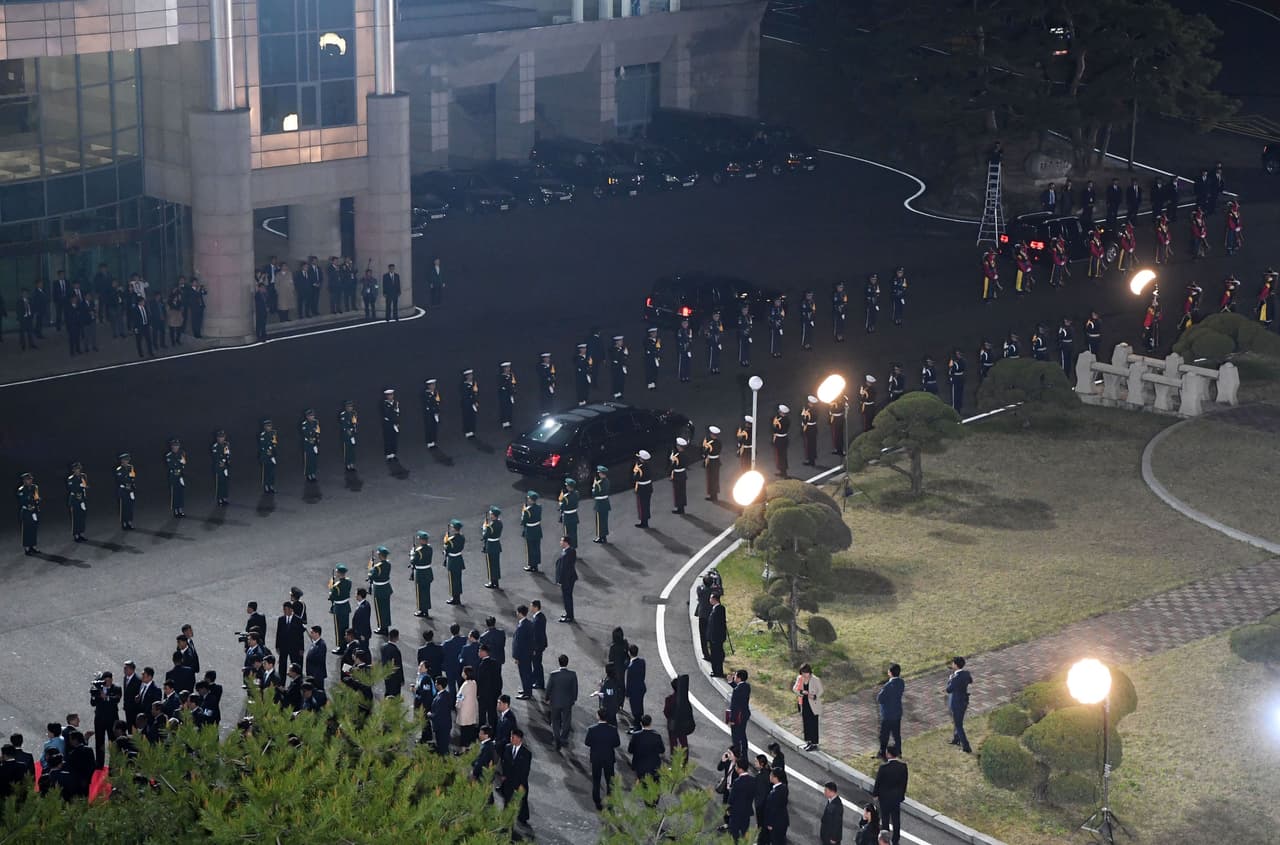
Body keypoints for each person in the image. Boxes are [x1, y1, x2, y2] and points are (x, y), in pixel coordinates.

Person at [872, 745, 908, 845]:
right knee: (896, 819)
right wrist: (901, 796)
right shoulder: (903, 766)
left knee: (885, 818)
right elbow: (904, 783)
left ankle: (885, 838)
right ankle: (896, 839)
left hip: (885, 798)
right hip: (896, 798)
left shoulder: (883, 767)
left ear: (888, 754)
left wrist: (875, 794)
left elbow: (878, 782)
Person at [585, 708, 620, 809]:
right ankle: (610, 800)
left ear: (598, 716)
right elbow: (617, 743)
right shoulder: (613, 729)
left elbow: (587, 743)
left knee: (596, 780)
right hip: (609, 757)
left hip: (596, 757)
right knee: (610, 780)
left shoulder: (592, 729)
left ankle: (596, 799)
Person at [500, 728, 533, 826]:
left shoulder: (526, 753)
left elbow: (525, 771)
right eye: (511, 736)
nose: (511, 739)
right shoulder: (508, 748)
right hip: (508, 780)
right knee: (507, 799)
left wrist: (521, 784)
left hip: (519, 781)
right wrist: (504, 775)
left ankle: (523, 816)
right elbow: (504, 763)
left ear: (519, 739)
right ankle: (505, 818)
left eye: (513, 737)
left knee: (522, 801)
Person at [546, 654, 578, 750]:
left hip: (555, 702)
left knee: (555, 721)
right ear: (567, 662)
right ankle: (563, 738)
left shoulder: (553, 674)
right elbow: (575, 689)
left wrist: (547, 698)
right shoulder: (572, 674)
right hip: (567, 702)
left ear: (558, 662)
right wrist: (574, 699)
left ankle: (557, 738)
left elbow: (549, 688)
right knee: (566, 720)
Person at [793, 663, 824, 752]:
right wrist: (802, 692)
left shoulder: (815, 679)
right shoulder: (800, 678)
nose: (804, 675)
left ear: (809, 672)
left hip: (813, 704)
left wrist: (814, 696)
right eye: (802, 673)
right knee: (806, 723)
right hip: (804, 702)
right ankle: (809, 741)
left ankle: (814, 743)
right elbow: (795, 688)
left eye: (806, 673)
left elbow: (821, 690)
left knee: (813, 723)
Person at [876, 664, 904, 760]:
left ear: (890, 673)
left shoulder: (887, 686)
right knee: (896, 734)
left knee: (884, 735)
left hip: (888, 715)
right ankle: (898, 751)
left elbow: (879, 699)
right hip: (897, 713)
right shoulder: (901, 682)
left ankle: (882, 753)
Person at [945, 656, 973, 752]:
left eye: (953, 663)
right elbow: (970, 680)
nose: (952, 665)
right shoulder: (966, 673)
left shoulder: (955, 678)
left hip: (957, 703)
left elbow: (948, 690)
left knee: (958, 725)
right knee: (957, 722)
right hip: (964, 701)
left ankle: (966, 747)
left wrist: (950, 679)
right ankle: (956, 739)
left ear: (956, 665)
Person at [726, 756, 756, 842]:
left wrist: (728, 808)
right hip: (746, 811)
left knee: (733, 833)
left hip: (736, 812)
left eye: (736, 766)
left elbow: (732, 798)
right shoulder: (753, 780)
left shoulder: (737, 782)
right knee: (744, 832)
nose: (735, 768)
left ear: (740, 769)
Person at [628, 715, 665, 780]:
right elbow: (662, 750)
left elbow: (630, 750)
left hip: (640, 765)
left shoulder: (636, 735)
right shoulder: (657, 736)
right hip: (653, 765)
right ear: (651, 723)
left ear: (641, 723)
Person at [664, 676, 694, 750]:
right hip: (683, 724)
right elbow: (689, 711)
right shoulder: (684, 700)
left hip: (672, 724)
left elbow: (666, 712)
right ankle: (685, 759)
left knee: (673, 743)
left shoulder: (669, 699)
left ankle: (674, 759)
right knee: (684, 743)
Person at [512, 605, 535, 699]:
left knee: (524, 674)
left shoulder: (521, 626)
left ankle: (527, 693)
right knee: (528, 673)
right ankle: (527, 690)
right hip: (528, 653)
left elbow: (518, 643)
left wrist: (516, 657)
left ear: (520, 613)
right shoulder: (529, 623)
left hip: (522, 655)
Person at [729, 669, 751, 761]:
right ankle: (744, 754)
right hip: (744, 714)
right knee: (742, 735)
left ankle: (737, 754)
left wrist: (732, 720)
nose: (734, 677)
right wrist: (731, 683)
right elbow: (738, 689)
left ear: (739, 678)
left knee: (736, 736)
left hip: (738, 716)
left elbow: (734, 706)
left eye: (735, 675)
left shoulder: (737, 690)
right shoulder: (746, 686)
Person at [764, 766, 790, 844]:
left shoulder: (775, 793)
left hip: (776, 824)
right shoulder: (783, 787)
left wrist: (770, 824)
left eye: (771, 775)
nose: (769, 776)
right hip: (782, 821)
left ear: (776, 777)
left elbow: (773, 809)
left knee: (776, 841)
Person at [555, 535, 578, 623]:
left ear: (566, 543)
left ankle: (569, 616)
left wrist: (561, 581)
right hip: (570, 578)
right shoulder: (571, 551)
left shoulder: (567, 554)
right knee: (567, 597)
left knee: (567, 598)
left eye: (561, 541)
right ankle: (568, 613)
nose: (560, 542)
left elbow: (564, 569)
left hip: (566, 580)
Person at [455, 666, 480, 747]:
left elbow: (460, 697)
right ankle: (469, 747)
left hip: (464, 711)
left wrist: (457, 706)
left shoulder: (465, 685)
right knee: (470, 729)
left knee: (464, 732)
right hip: (471, 710)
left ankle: (463, 748)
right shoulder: (474, 683)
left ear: (465, 674)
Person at [429, 675, 453, 756]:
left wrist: (429, 715)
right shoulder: (446, 695)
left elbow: (437, 714)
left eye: (436, 683)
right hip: (445, 725)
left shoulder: (440, 698)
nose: (435, 684)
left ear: (439, 685)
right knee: (444, 746)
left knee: (442, 747)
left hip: (441, 726)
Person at [625, 644, 647, 730]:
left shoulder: (631, 667)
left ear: (629, 653)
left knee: (635, 709)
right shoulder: (642, 662)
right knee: (640, 706)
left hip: (634, 691)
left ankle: (637, 726)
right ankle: (640, 722)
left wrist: (627, 693)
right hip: (641, 688)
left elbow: (629, 682)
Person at [444, 519, 466, 605]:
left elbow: (447, 550)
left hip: (452, 561)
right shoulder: (462, 537)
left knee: (453, 580)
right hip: (459, 559)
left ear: (454, 528)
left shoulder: (451, 540)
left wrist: (446, 542)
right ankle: (458, 597)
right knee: (458, 579)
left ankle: (454, 598)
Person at [520, 490, 543, 572]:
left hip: (530, 531)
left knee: (530, 549)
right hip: (537, 529)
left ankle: (531, 565)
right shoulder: (539, 507)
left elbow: (523, 521)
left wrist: (523, 513)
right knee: (536, 548)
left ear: (530, 499)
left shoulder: (527, 511)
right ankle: (535, 565)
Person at [482, 505, 504, 589]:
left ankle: (492, 581)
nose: (490, 515)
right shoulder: (499, 523)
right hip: (497, 544)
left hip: (490, 545)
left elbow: (485, 536)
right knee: (496, 564)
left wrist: (484, 528)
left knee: (491, 565)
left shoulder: (490, 526)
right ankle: (496, 581)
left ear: (494, 515)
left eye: (491, 514)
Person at [707, 592, 728, 677]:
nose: (710, 600)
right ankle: (715, 670)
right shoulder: (714, 609)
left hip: (716, 638)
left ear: (714, 599)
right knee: (714, 654)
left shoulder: (719, 609)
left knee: (717, 655)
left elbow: (717, 625)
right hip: (713, 637)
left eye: (711, 598)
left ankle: (718, 671)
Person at [633, 449, 653, 528]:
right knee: (646, 505)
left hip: (642, 488)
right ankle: (646, 521)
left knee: (642, 505)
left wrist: (635, 471)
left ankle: (643, 522)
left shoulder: (640, 467)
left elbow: (635, 478)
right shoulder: (648, 465)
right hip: (648, 486)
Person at [210, 430, 231, 506]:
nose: (221, 439)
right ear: (217, 438)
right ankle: (219, 499)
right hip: (218, 468)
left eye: (222, 437)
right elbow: (216, 457)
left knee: (225, 483)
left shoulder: (226, 444)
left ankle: (224, 498)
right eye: (219, 437)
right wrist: (221, 462)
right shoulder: (215, 446)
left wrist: (226, 462)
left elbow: (227, 454)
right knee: (219, 484)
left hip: (225, 467)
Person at [702, 426, 723, 501]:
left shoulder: (710, 443)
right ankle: (713, 495)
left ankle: (713, 496)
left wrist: (705, 450)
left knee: (712, 479)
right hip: (716, 461)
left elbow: (706, 452)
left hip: (712, 461)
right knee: (713, 479)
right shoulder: (718, 442)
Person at [771, 405, 791, 477]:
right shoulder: (787, 419)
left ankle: (783, 472)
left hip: (780, 439)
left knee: (780, 456)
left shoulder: (780, 420)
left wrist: (775, 424)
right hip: (784, 438)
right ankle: (782, 471)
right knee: (782, 455)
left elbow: (775, 430)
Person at [381, 388, 400, 460]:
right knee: (388, 439)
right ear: (386, 396)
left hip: (395, 423)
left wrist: (397, 422)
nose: (391, 397)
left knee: (394, 438)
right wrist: (393, 422)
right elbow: (387, 414)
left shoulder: (396, 403)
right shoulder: (384, 404)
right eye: (389, 395)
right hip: (388, 424)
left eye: (392, 395)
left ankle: (393, 453)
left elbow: (397, 413)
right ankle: (388, 454)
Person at [459, 369, 478, 439]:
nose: (471, 376)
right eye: (469, 375)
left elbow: (475, 393)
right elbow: (465, 395)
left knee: (472, 417)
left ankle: (472, 430)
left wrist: (475, 401)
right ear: (466, 376)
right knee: (467, 417)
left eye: (471, 375)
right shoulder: (463, 385)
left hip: (473, 403)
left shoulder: (473, 383)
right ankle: (467, 431)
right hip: (466, 404)